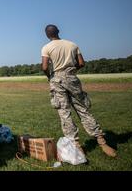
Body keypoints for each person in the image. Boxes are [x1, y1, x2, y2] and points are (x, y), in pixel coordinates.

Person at [41, 24, 117, 158]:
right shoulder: (72, 44)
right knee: (83, 110)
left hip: (57, 80)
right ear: (58, 31)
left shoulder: (46, 47)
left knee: (65, 113)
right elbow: (81, 63)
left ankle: (77, 146)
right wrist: (71, 71)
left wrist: (50, 77)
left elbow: (44, 66)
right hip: (72, 79)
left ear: (47, 35)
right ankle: (103, 143)